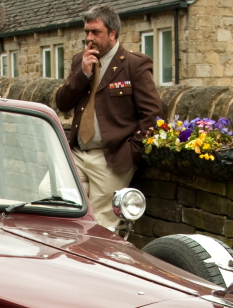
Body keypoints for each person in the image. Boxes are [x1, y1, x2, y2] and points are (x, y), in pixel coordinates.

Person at [55, 4, 161, 231]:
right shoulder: (80, 61)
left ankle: (90, 265)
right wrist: (82, 74)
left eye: (95, 32)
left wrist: (132, 151)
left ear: (112, 34)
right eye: (86, 32)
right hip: (77, 154)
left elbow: (152, 114)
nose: (89, 38)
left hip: (111, 159)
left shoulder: (134, 64)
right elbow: (62, 103)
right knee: (55, 207)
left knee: (100, 228)